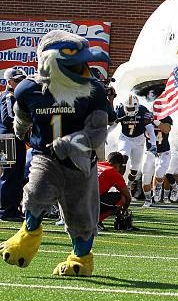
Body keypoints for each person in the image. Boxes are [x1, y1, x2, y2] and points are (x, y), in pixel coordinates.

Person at [0, 30, 109, 277]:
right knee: (36, 193)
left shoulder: (93, 90)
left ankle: (80, 259)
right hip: (44, 156)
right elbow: (22, 117)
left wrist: (72, 142)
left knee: (82, 219)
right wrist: (20, 126)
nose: (83, 69)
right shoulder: (28, 89)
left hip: (79, 162)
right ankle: (28, 235)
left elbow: (98, 132)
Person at [0, 69, 27, 222]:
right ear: (9, 82)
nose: (21, 82)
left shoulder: (17, 96)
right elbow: (7, 118)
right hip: (7, 139)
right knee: (9, 175)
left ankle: (13, 209)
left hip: (16, 138)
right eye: (17, 80)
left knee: (17, 175)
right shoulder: (9, 97)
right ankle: (5, 211)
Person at [114, 93, 156, 191]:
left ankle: (128, 185)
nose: (130, 111)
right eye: (128, 108)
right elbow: (113, 125)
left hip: (139, 140)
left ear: (137, 107)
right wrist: (106, 134)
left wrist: (153, 145)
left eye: (132, 109)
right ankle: (119, 184)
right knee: (123, 157)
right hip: (125, 138)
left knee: (134, 168)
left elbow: (150, 129)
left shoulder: (143, 111)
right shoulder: (120, 111)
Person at [141, 116, 173, 207]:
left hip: (164, 151)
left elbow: (166, 130)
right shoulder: (146, 118)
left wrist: (155, 121)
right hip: (150, 151)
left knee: (159, 173)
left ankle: (158, 186)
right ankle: (148, 199)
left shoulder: (166, 118)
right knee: (146, 177)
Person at [97, 152, 132, 231]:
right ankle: (96, 221)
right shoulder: (113, 172)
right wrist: (123, 210)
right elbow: (128, 197)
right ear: (118, 165)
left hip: (76, 202)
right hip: (89, 203)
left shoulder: (97, 165)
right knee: (122, 199)